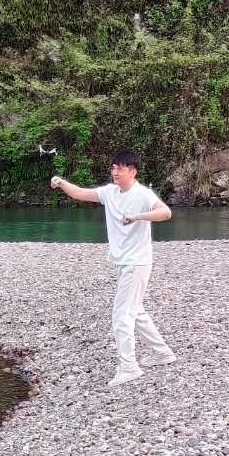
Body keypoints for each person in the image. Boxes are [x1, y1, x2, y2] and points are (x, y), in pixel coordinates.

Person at [50, 149, 176, 387]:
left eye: (121, 168)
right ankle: (162, 353)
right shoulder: (109, 192)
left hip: (136, 262)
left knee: (121, 314)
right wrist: (62, 182)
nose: (116, 172)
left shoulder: (142, 193)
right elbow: (80, 194)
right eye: (114, 168)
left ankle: (129, 367)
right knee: (135, 310)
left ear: (133, 171)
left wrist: (138, 216)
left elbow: (165, 212)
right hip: (122, 261)